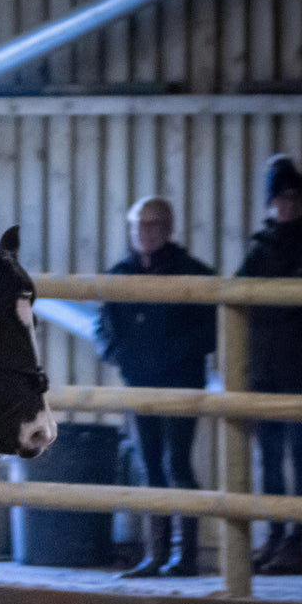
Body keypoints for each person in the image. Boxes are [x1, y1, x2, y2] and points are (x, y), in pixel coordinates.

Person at [96, 196, 216, 578]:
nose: (143, 234)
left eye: (151, 226)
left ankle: (186, 555)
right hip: (139, 383)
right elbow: (104, 328)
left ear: (166, 229)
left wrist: (162, 357)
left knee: (176, 461)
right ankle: (156, 553)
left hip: (180, 382)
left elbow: (208, 333)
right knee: (149, 464)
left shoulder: (194, 273)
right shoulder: (118, 276)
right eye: (138, 227)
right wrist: (119, 355)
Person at [236, 155, 302, 576]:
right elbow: (240, 295)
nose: (288, 205)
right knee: (272, 461)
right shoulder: (259, 248)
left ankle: (297, 540)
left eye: (294, 198)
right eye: (281, 198)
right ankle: (277, 537)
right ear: (270, 204)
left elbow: (297, 301)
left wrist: (269, 300)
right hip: (267, 374)